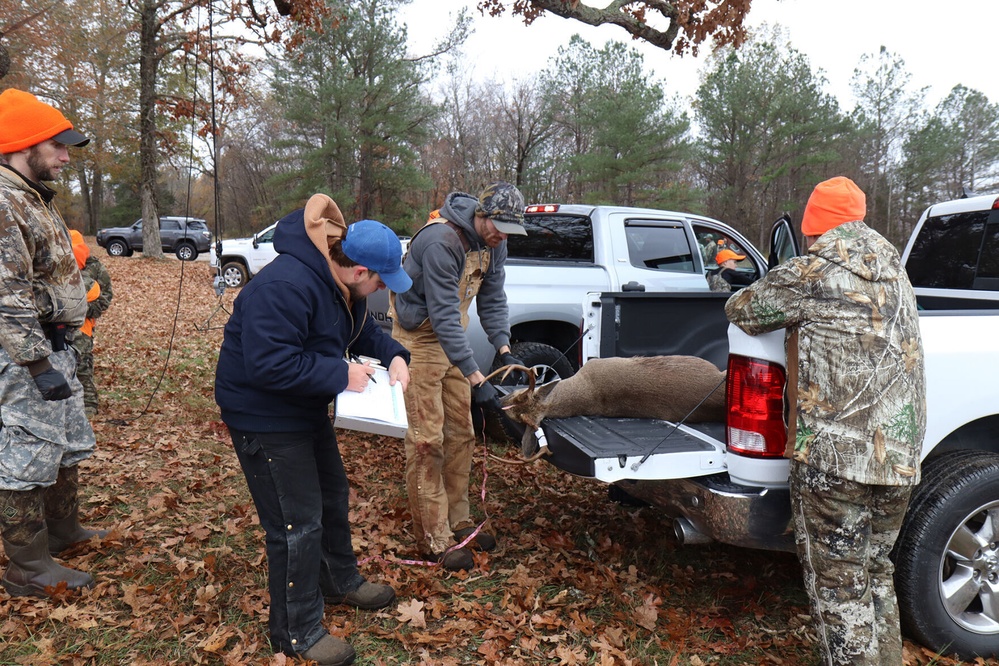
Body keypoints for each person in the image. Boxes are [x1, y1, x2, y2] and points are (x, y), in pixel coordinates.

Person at [724, 176, 926, 665]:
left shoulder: (811, 271)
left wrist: (735, 278)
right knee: (876, 572)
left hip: (836, 464)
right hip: (900, 460)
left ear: (813, 227)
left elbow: (744, 311)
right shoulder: (896, 268)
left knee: (839, 591)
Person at [214, 193, 412, 666]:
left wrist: (395, 354)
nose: (384, 288)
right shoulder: (285, 286)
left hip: (302, 408)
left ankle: (339, 581)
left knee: (330, 496)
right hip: (263, 414)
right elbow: (268, 365)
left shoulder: (339, 284)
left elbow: (359, 329)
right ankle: (296, 629)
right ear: (360, 270)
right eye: (382, 279)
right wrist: (338, 375)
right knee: (295, 522)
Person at [0, 88, 107, 597]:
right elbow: (5, 293)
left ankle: (63, 532)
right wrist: (36, 362)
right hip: (26, 354)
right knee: (25, 453)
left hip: (55, 346)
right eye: (57, 146)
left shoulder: (31, 196)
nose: (66, 156)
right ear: (24, 145)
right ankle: (27, 566)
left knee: (62, 444)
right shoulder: (3, 199)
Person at [390, 181, 527, 571]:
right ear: (481, 216)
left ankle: (459, 520)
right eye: (498, 228)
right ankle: (434, 537)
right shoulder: (441, 242)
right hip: (419, 340)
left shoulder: (496, 242)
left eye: (510, 232)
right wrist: (477, 378)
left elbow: (493, 296)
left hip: (452, 338)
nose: (503, 238)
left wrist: (504, 348)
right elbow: (445, 314)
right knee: (427, 440)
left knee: (462, 433)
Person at [68, 230, 113, 419]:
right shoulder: (49, 263)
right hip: (52, 326)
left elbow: (105, 296)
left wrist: (80, 310)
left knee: (82, 366)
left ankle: (88, 406)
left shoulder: (94, 267)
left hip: (82, 327)